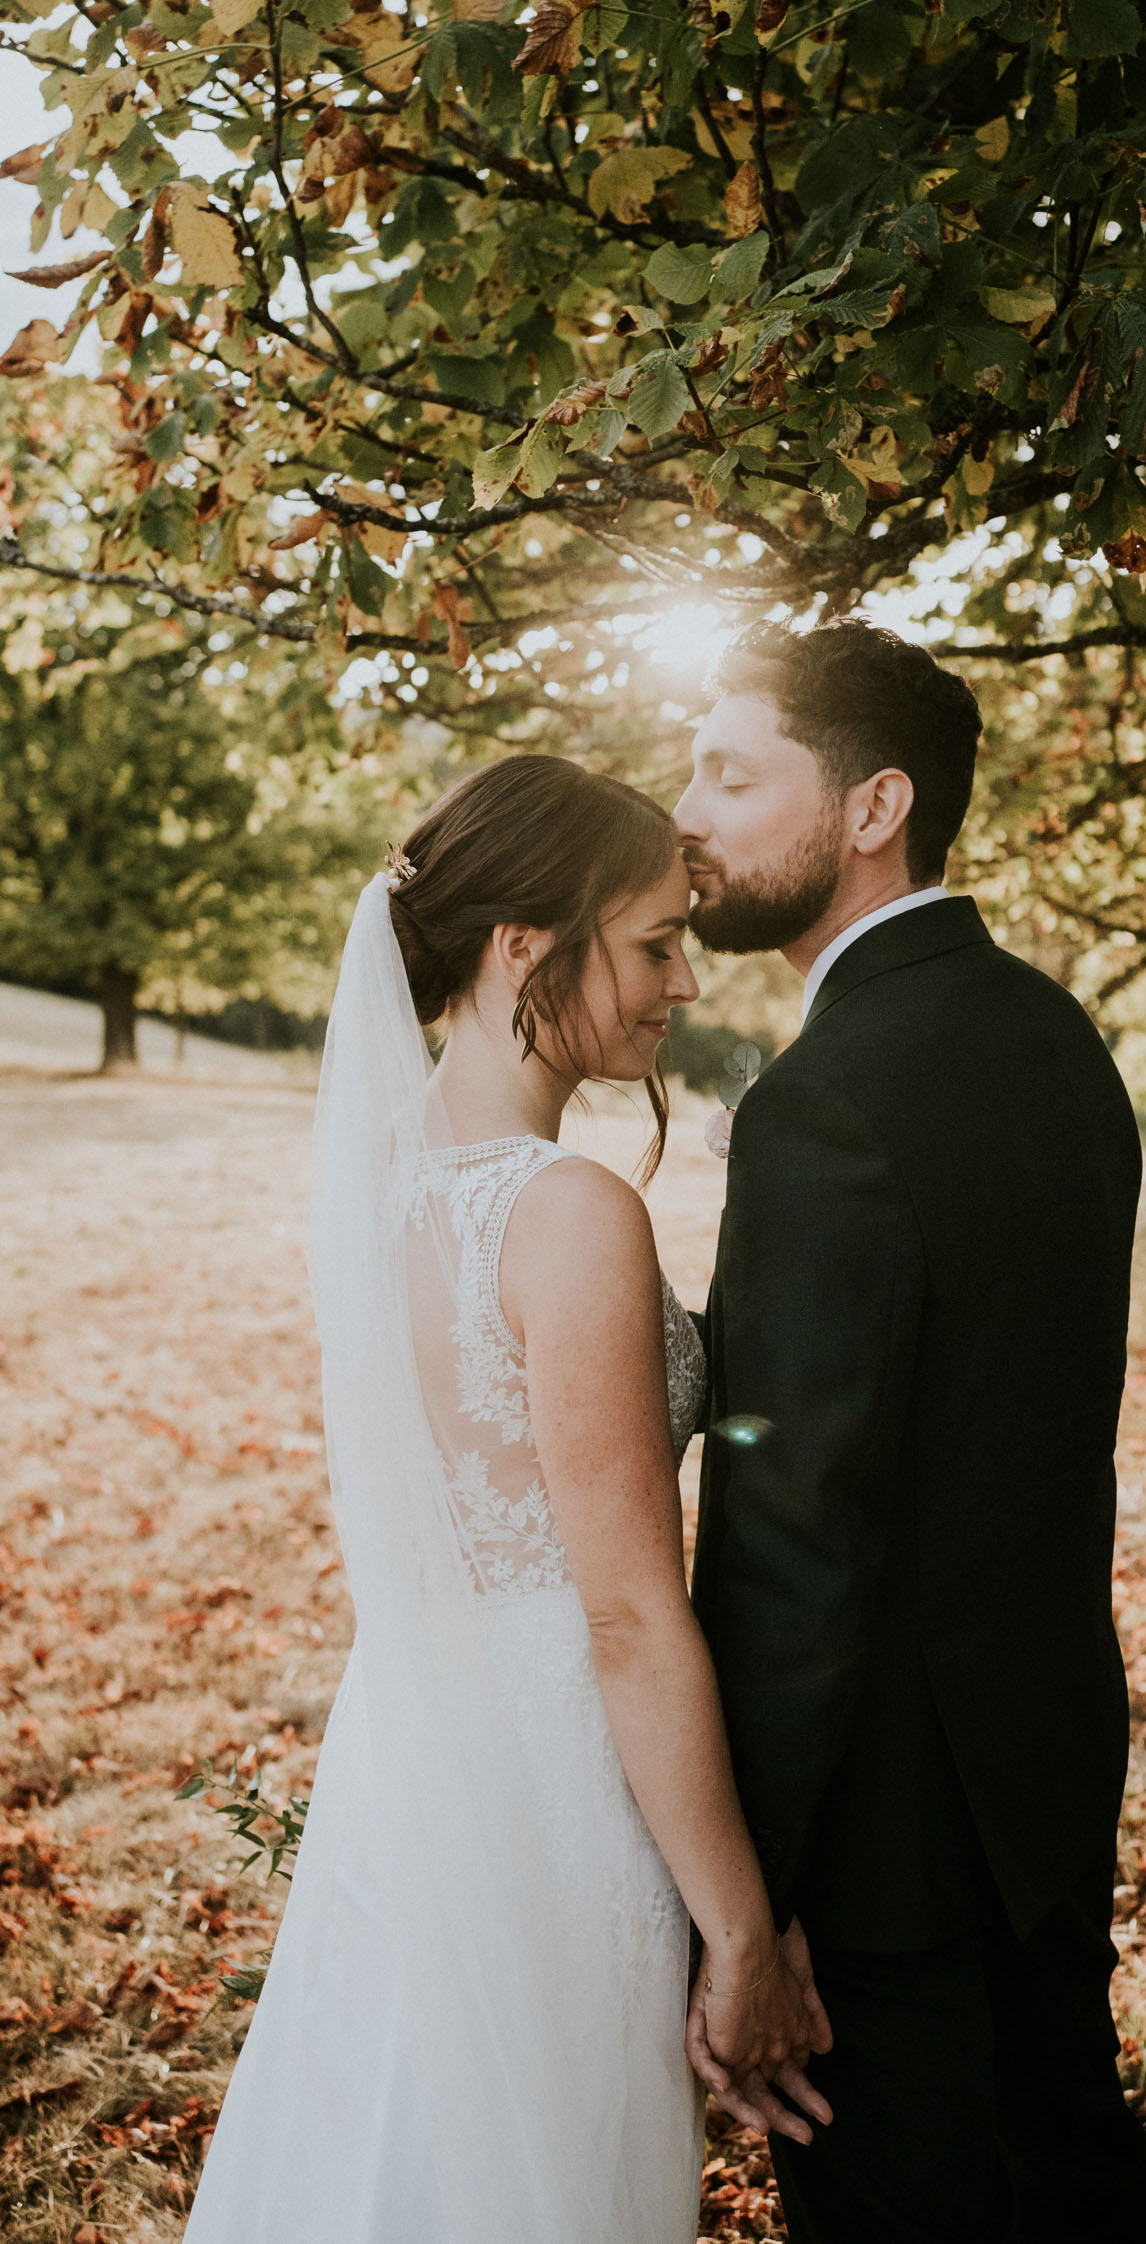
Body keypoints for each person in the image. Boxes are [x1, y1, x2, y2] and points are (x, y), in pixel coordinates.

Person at [184, 755, 829, 2244]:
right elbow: (622, 1614)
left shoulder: (387, 1185)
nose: (685, 983)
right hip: (555, 1788)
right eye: (656, 943)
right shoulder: (563, 1212)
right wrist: (739, 1932)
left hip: (409, 1759)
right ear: (523, 945)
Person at [676, 621, 1146, 2244]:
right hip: (1042, 1761)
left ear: (876, 803)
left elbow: (795, 1530)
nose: (687, 812)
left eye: (733, 774)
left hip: (884, 1834)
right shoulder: (1056, 1042)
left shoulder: (825, 1097)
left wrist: (752, 1900)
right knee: (1068, 2165)